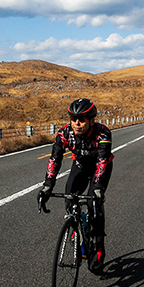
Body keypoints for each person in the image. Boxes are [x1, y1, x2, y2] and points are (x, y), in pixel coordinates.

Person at [38, 98, 114, 272]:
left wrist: (97, 189)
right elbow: (55, 159)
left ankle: (98, 246)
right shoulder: (64, 134)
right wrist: (47, 186)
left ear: (92, 120)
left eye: (82, 119)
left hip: (100, 167)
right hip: (80, 165)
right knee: (69, 199)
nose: (77, 123)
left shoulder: (103, 133)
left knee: (92, 202)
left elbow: (102, 161)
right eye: (73, 119)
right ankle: (76, 232)